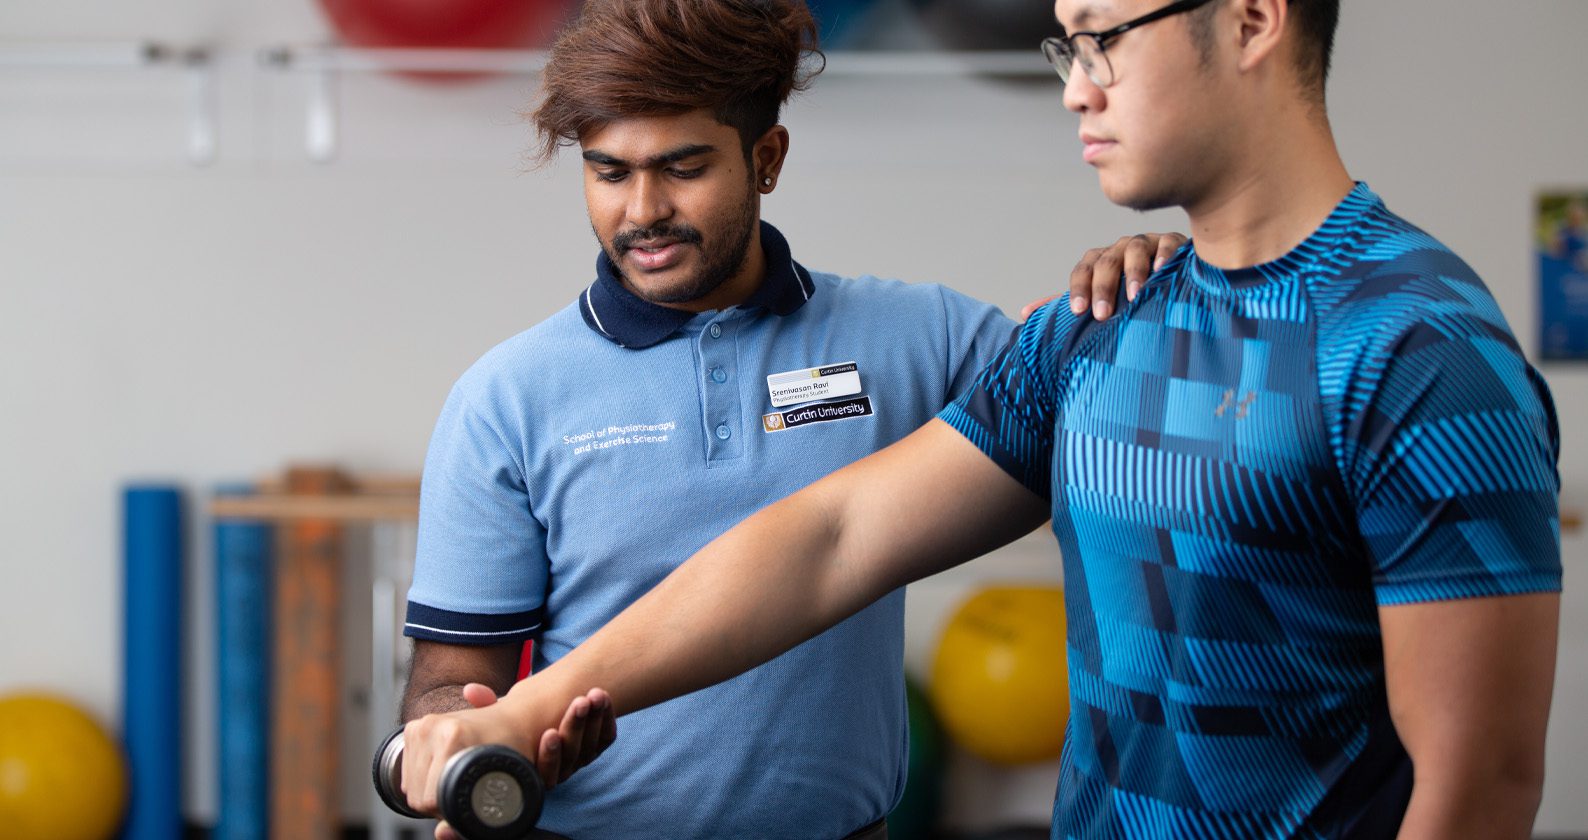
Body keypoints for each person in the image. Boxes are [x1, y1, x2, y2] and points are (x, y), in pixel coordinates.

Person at [400, 0, 1565, 837]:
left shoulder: (1418, 348)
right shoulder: (1101, 327)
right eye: (1067, 43)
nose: (1074, 83)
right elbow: (831, 541)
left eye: (1103, 36)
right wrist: (535, 708)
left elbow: (1480, 788)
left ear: (1254, 19)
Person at [397, 1, 1179, 837]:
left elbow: (1120, 419)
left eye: (683, 168)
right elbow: (447, 682)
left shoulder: (927, 338)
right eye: (610, 172)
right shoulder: (506, 398)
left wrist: (1139, 287)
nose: (643, 210)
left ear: (766, 159)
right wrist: (470, 741)